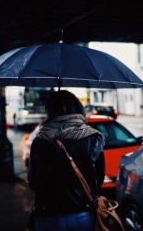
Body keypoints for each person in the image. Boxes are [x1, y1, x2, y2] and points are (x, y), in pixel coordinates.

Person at [27, 90, 105, 231]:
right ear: (78, 107)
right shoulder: (94, 138)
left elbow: (34, 182)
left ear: (50, 110)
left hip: (48, 216)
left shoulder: (41, 140)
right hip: (83, 214)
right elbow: (98, 180)